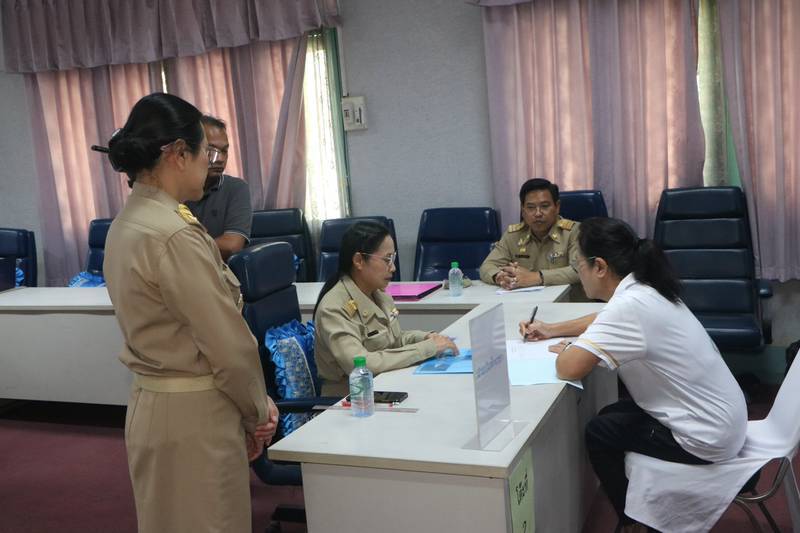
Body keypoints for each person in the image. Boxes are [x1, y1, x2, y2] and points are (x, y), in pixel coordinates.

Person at [102, 93, 279, 533]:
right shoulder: (174, 233)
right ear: (179, 154)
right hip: (197, 413)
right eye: (206, 152)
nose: (210, 163)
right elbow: (228, 346)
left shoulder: (128, 221)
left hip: (153, 404)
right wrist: (257, 413)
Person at [519, 217, 748, 532]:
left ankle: (632, 523)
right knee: (612, 414)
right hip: (724, 417)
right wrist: (552, 329)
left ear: (600, 266)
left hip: (706, 437)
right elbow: (603, 318)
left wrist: (575, 349)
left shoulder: (629, 306)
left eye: (579, 265)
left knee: (600, 432)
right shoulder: (645, 289)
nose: (578, 273)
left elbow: (567, 367)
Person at [314, 221, 458, 396]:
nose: (393, 267)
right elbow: (361, 364)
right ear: (359, 261)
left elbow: (393, 340)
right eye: (387, 259)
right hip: (351, 398)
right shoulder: (333, 308)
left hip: (386, 385)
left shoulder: (378, 294)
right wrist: (427, 348)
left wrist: (426, 337)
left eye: (393, 258)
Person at [479, 178, 581, 294]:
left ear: (557, 207)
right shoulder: (513, 235)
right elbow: (487, 266)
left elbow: (579, 270)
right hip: (526, 301)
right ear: (523, 211)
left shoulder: (575, 232)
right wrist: (500, 276)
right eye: (531, 207)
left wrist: (537, 277)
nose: (538, 213)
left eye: (545, 206)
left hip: (566, 302)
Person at [185, 115, 252, 261]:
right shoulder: (177, 189)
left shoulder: (236, 188)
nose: (220, 159)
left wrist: (181, 249)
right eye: (211, 150)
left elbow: (231, 246)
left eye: (224, 151)